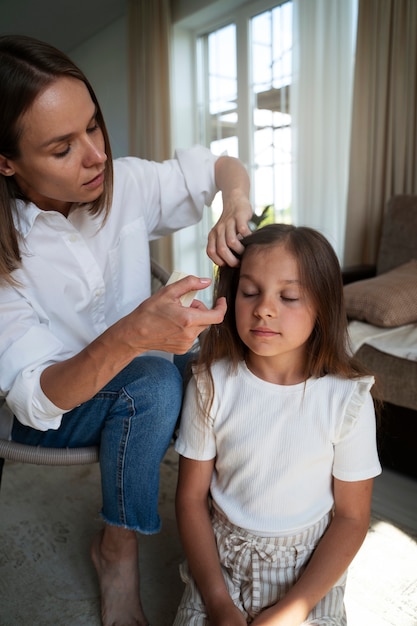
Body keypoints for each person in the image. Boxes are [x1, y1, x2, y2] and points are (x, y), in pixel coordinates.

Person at [0, 34, 253, 626]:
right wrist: (135, 335)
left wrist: (235, 202)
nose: (96, 156)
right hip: (56, 414)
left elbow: (218, 167)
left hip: (138, 379)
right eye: (63, 147)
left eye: (94, 127)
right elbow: (37, 400)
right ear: (6, 162)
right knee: (155, 381)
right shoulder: (4, 258)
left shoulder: (125, 185)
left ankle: (245, 528)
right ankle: (117, 548)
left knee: (235, 361)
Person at [174, 223, 382, 625]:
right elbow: (190, 499)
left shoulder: (348, 399)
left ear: (322, 306)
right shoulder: (209, 384)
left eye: (288, 297)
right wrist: (218, 601)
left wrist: (293, 609)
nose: (264, 308)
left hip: (308, 572)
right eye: (249, 292)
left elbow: (353, 518)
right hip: (222, 563)